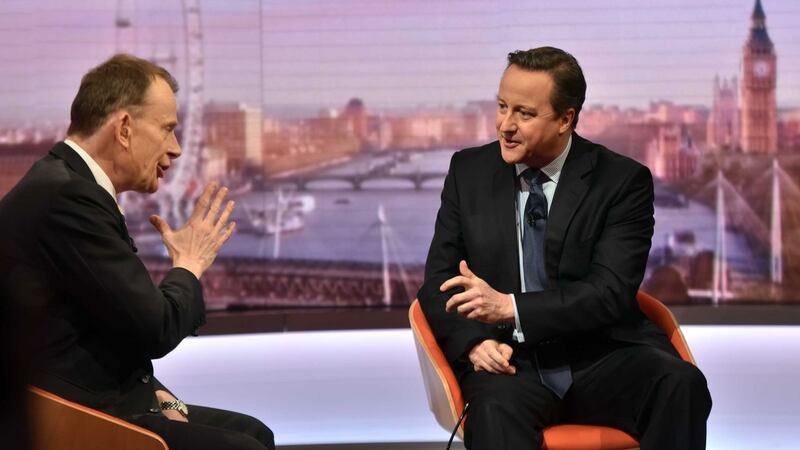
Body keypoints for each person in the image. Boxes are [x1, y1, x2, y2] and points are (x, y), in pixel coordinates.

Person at [418, 47, 711, 450]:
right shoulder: (468, 172)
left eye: (524, 113)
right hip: (510, 361)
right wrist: (473, 343)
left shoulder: (622, 181)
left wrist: (511, 307)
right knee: (493, 411)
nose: (505, 125)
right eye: (502, 106)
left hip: (602, 355)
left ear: (565, 119)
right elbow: (439, 280)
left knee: (681, 383)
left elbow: (609, 292)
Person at [0, 54, 274, 450]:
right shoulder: (70, 196)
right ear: (124, 128)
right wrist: (190, 264)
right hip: (74, 418)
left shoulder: (65, 185)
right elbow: (154, 329)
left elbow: (110, 333)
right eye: (166, 129)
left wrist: (166, 398)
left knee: (254, 433)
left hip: (109, 400)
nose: (176, 148)